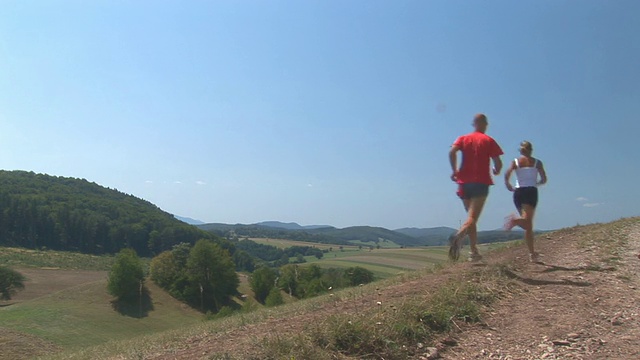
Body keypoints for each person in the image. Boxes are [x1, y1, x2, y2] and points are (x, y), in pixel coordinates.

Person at [448, 114, 504, 262]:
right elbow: (498, 163)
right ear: (485, 124)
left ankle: (474, 252)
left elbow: (452, 151)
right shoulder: (488, 140)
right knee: (472, 218)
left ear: (473, 124)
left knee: (470, 219)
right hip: (480, 182)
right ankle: (457, 237)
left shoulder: (463, 138)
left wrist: (454, 170)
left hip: (464, 183)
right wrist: (496, 170)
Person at [504, 141, 547, 263]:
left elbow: (507, 174)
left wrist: (508, 184)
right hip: (530, 192)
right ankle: (515, 220)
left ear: (521, 150)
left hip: (518, 193)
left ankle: (532, 253)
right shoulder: (537, 163)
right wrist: (537, 183)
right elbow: (544, 179)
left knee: (528, 224)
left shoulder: (515, 162)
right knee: (528, 224)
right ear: (531, 150)